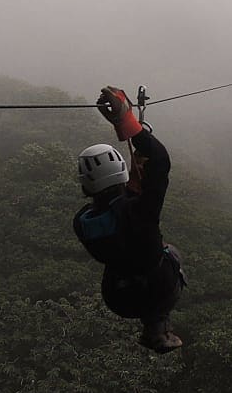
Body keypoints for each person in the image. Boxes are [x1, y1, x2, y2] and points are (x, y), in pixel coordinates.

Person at [72, 86, 186, 353]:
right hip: (158, 290)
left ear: (86, 187)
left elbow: (116, 214)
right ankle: (157, 328)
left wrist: (134, 188)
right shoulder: (141, 211)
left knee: (139, 261)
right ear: (122, 173)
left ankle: (155, 329)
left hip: (118, 297)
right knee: (173, 254)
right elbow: (160, 160)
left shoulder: (82, 222)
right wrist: (127, 122)